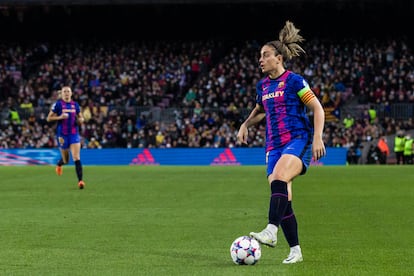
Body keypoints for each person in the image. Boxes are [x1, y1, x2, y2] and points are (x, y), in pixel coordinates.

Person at [237, 21, 326, 264]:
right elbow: (259, 111)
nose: (261, 60)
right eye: (260, 57)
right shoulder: (263, 86)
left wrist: (318, 137)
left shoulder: (294, 81)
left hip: (298, 139)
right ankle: (295, 251)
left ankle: (271, 230)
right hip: (273, 146)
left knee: (279, 180)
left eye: (265, 55)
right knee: (283, 197)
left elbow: (317, 108)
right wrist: (245, 124)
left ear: (279, 58)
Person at [47, 86, 86, 189]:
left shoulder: (75, 105)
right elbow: (49, 118)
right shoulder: (58, 104)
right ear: (62, 94)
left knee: (76, 157)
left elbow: (80, 116)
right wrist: (60, 117)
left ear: (71, 93)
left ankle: (80, 181)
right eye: (64, 91)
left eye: (68, 91)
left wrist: (81, 119)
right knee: (66, 160)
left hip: (74, 134)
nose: (66, 93)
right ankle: (59, 164)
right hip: (62, 135)